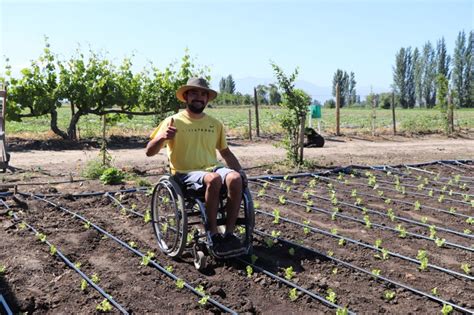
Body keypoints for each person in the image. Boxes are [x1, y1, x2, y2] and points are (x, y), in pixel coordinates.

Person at [145, 77, 248, 257]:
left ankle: (229, 234)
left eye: (203, 94)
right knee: (213, 179)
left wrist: (239, 171)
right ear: (186, 97)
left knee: (234, 178)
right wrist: (162, 137)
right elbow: (149, 152)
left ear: (207, 99)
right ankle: (213, 233)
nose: (198, 97)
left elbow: (225, 152)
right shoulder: (173, 121)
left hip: (211, 168)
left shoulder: (215, 124)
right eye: (194, 93)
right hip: (185, 173)